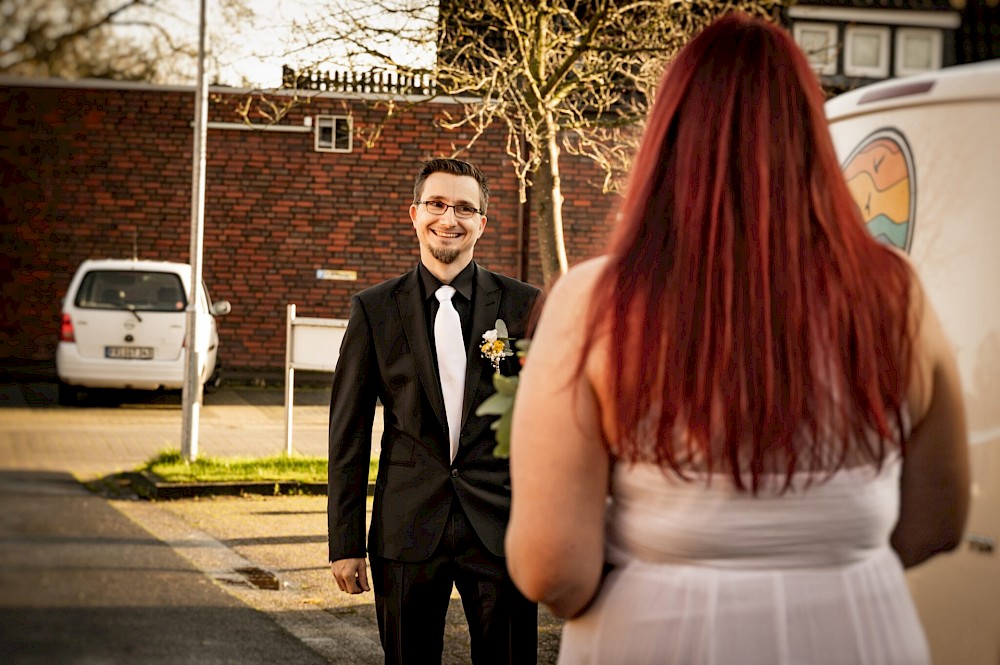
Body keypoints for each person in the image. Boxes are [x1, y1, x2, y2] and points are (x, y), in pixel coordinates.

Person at [504, 12, 970, 665]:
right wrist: (822, 560)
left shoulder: (596, 302)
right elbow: (939, 520)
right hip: (857, 633)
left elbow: (553, 567)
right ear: (811, 138)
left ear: (668, 141)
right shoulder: (896, 294)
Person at [327, 158, 541, 664]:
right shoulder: (374, 310)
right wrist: (345, 542)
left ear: (482, 223)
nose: (450, 217)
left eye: (466, 208)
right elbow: (348, 435)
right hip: (406, 527)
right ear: (415, 213)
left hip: (502, 528)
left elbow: (549, 426)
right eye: (438, 204)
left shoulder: (525, 305)